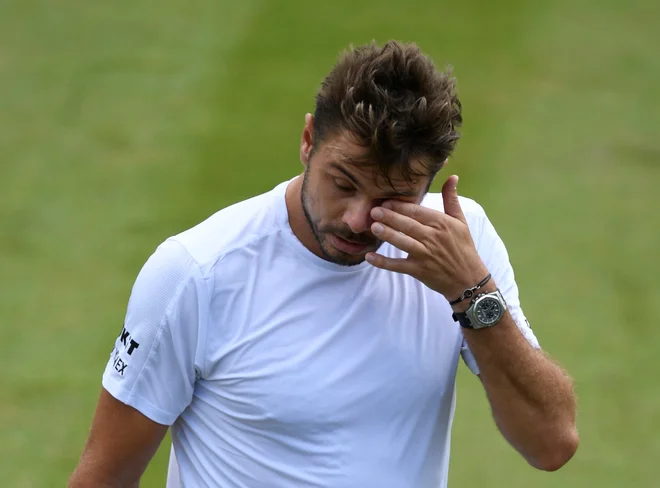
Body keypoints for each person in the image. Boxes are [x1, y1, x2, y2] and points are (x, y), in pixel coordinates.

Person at [69, 40, 579, 488]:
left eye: (393, 199)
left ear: (431, 185)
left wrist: (471, 290)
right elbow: (104, 477)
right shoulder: (195, 272)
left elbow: (551, 443)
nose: (358, 219)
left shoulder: (462, 247)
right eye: (343, 183)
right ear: (308, 139)